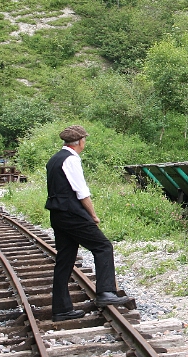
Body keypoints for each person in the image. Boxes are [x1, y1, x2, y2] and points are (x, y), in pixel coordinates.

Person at [45, 125, 130, 322]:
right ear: (80, 142)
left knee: (64, 260)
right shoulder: (72, 160)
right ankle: (106, 292)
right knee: (103, 246)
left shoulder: (54, 159)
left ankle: (61, 309)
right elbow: (81, 191)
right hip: (72, 213)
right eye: (85, 140)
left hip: (57, 214)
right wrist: (93, 215)